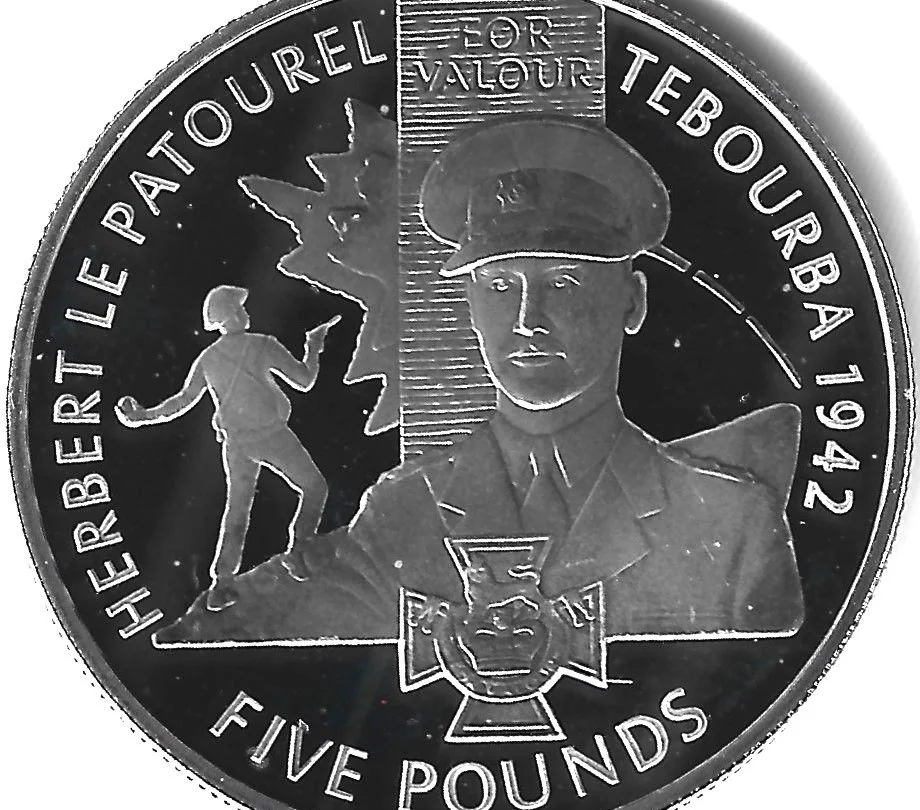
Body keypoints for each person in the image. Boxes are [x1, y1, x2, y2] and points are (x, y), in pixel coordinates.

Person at [154, 116, 804, 645]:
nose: (527, 319)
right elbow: (259, 629)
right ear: (468, 304)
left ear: (632, 301)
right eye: (497, 286)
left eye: (563, 282)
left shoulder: (732, 525)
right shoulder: (401, 512)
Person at [116, 285, 339, 611]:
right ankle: (298, 547)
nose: (245, 312)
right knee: (315, 487)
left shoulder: (208, 359)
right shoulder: (262, 345)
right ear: (231, 315)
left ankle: (222, 583)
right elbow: (304, 381)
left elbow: (182, 401)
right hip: (271, 436)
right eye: (240, 308)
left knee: (237, 510)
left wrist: (143, 416)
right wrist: (314, 347)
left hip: (237, 444)